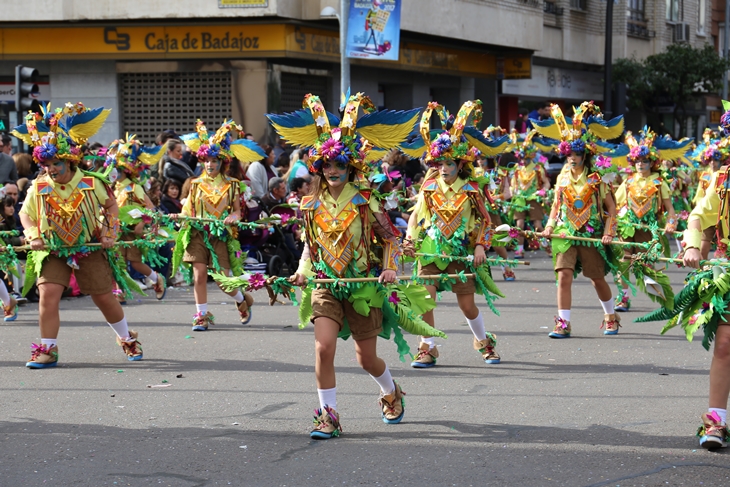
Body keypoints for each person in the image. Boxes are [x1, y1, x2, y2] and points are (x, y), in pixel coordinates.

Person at [270, 92, 431, 439]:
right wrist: (301, 270)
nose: (332, 170)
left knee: (365, 359)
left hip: (362, 286)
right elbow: (310, 246)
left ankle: (391, 391)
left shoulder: (365, 199)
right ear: (318, 167)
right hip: (326, 285)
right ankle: (328, 416)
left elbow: (389, 238)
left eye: (339, 164)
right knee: (323, 348)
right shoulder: (309, 203)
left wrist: (389, 268)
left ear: (351, 166)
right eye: (327, 165)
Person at [12, 103, 143, 368]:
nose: (51, 170)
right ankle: (47, 349)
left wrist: (109, 232)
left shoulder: (91, 182)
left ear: (69, 161)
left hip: (89, 247)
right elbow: (25, 214)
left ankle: (127, 338)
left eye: (56, 163)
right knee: (48, 293)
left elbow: (112, 206)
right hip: (53, 249)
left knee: (103, 296)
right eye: (46, 164)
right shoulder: (38, 187)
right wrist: (33, 233)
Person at [403, 100, 510, 368]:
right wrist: (410, 238)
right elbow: (416, 215)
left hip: (461, 252)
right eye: (439, 162)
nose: (443, 167)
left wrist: (480, 247)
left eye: (449, 162)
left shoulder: (472, 189)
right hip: (430, 250)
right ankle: (428, 347)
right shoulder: (428, 186)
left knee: (467, 306)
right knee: (425, 300)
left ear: (460, 164)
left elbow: (486, 222)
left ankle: (484, 342)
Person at [535, 102, 624, 337]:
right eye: (569, 154)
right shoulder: (562, 179)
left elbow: (611, 209)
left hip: (591, 233)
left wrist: (608, 232)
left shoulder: (597, 179)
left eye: (577, 154)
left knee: (596, 278)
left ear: (585, 155)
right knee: (563, 276)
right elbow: (556, 207)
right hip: (566, 233)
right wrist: (549, 226)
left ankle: (610, 315)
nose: (572, 158)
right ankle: (563, 323)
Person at [171, 119, 265, 330]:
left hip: (221, 236)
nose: (210, 165)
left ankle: (241, 299)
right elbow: (188, 210)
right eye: (207, 161)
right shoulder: (194, 185)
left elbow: (238, 211)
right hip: (197, 234)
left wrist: (233, 217)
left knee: (223, 281)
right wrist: (179, 216)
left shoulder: (232, 185)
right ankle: (201, 315)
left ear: (222, 162)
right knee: (199, 275)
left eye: (214, 161)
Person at [611, 128, 686, 312]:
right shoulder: (628, 182)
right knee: (624, 261)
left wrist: (670, 223)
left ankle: (664, 299)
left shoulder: (659, 182)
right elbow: (615, 204)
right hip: (628, 227)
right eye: (637, 161)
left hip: (648, 228)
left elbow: (670, 209)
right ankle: (623, 298)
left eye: (644, 161)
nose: (640, 164)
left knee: (645, 266)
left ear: (652, 162)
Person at [107, 135, 167, 301]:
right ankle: (121, 290)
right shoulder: (112, 188)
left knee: (135, 263)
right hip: (116, 230)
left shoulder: (134, 188)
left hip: (132, 232)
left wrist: (142, 223)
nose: (114, 173)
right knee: (118, 262)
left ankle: (156, 278)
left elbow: (151, 208)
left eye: (117, 169)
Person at [508, 130, 551, 258]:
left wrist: (542, 191)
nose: (523, 161)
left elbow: (546, 183)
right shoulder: (517, 169)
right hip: (520, 199)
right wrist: (512, 192)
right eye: (521, 158)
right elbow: (512, 185)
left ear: (531, 156)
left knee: (538, 225)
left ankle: (547, 246)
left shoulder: (538, 168)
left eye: (525, 158)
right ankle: (520, 249)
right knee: (519, 225)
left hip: (533, 199)